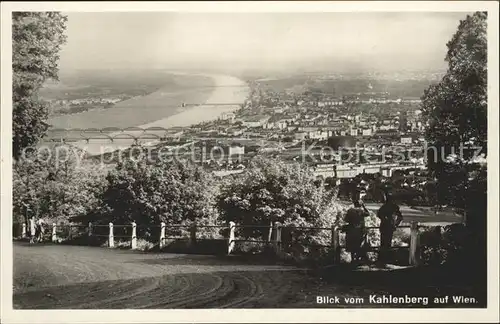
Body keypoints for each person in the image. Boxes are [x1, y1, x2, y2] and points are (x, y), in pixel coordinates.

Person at [344, 190, 371, 264]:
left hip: (351, 230)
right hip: (359, 230)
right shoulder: (361, 211)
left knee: (352, 245)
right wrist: (364, 206)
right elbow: (368, 214)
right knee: (359, 244)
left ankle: (353, 259)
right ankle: (358, 259)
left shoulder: (350, 210)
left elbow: (346, 219)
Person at [376, 191, 403, 265]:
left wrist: (385, 219)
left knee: (384, 242)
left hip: (385, 226)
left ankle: (383, 259)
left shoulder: (384, 207)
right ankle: (386, 259)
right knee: (387, 243)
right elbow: (400, 217)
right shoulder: (393, 206)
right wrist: (395, 224)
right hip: (389, 226)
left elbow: (378, 215)